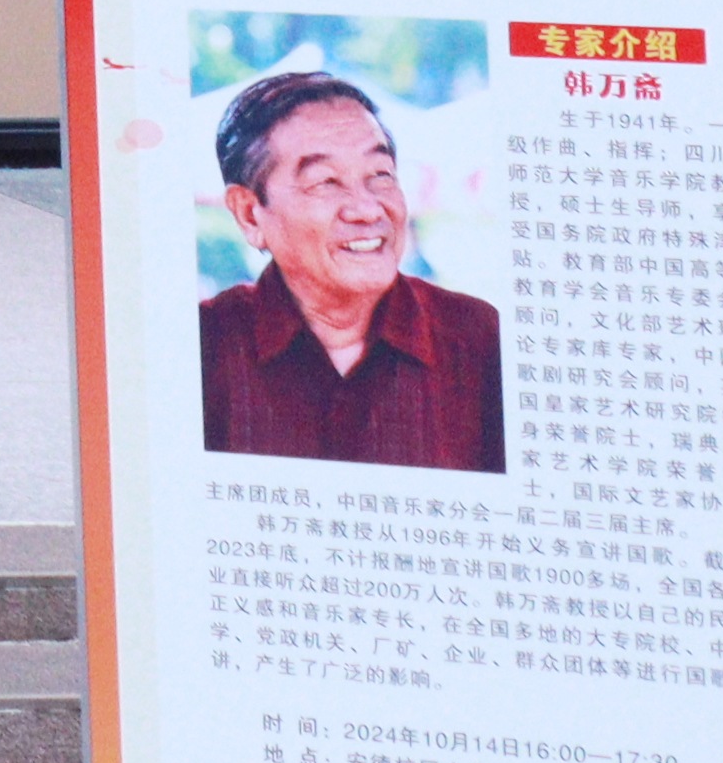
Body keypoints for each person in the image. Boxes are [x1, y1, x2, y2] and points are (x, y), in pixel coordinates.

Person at [198, 71, 504, 472]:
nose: (367, 209)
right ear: (249, 214)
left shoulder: (478, 338)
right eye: (325, 182)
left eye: (380, 175)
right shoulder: (204, 345)